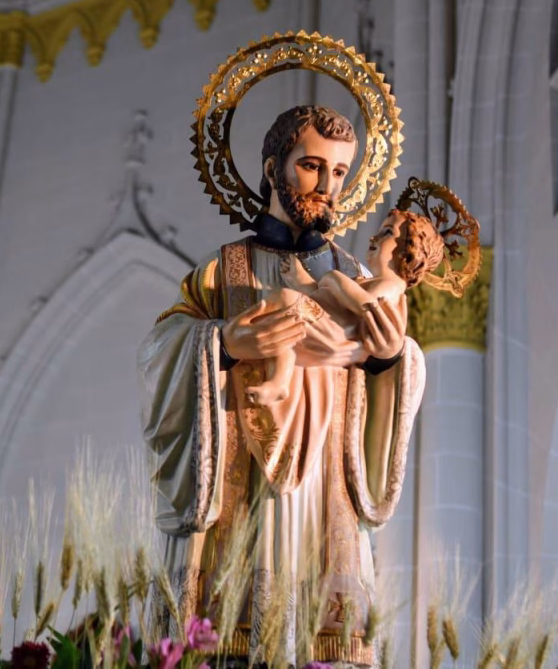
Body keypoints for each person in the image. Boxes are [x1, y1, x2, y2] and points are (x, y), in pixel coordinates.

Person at [139, 105, 426, 666]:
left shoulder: (357, 277)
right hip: (237, 488)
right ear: (273, 168)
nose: (327, 185)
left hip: (324, 492)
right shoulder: (222, 272)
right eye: (312, 166)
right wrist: (222, 343)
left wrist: (392, 359)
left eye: (339, 172)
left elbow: (395, 367)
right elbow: (158, 354)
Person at [244, 208, 445, 406]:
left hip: (336, 341)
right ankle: (279, 381)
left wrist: (332, 278)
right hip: (321, 328)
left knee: (286, 309)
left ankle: (279, 381)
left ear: (408, 253)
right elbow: (330, 301)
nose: (373, 237)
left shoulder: (377, 280)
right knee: (285, 322)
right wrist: (305, 282)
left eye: (387, 232)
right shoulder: (365, 279)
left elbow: (364, 308)